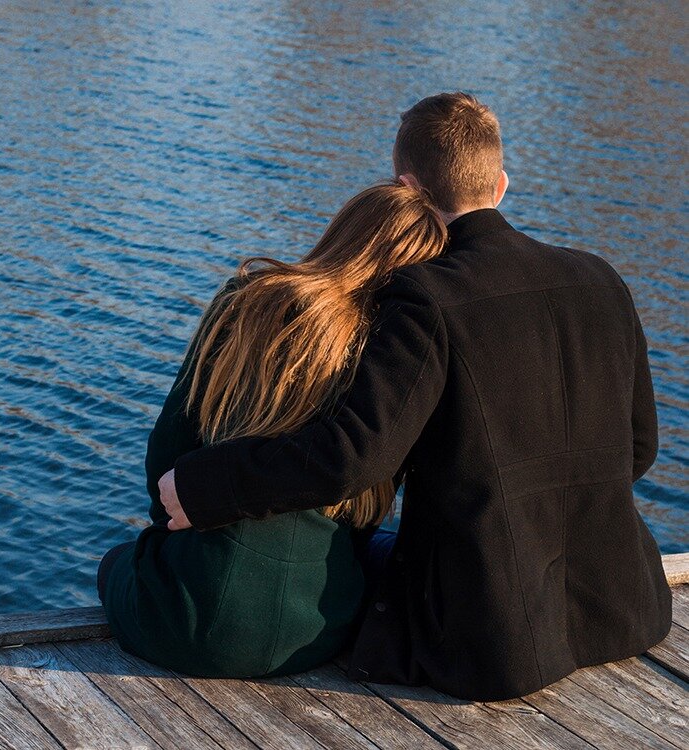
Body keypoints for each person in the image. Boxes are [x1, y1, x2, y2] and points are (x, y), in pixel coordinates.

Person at [156, 93, 670, 701]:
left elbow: (352, 458)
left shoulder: (425, 296)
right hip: (624, 608)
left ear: (405, 187)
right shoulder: (601, 278)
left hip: (493, 637)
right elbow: (638, 450)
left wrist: (207, 485)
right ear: (501, 185)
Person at [98, 183, 447, 678]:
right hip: (318, 631)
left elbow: (166, 455)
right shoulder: (397, 363)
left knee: (115, 562)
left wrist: (177, 525)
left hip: (186, 618)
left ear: (342, 236)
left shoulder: (249, 301)